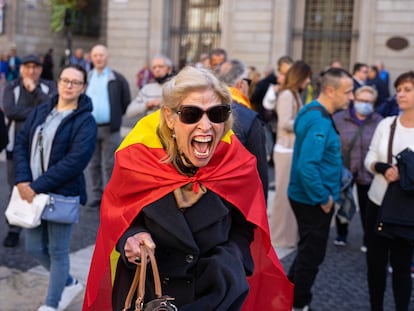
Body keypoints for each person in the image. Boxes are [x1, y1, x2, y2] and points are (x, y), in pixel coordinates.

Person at [82, 66, 293, 310]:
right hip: (148, 293)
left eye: (217, 113)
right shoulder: (138, 160)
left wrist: (228, 266)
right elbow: (116, 213)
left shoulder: (238, 165)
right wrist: (129, 237)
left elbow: (246, 226)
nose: (205, 125)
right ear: (170, 118)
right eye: (192, 114)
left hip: (214, 297)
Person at [13, 64, 97, 311]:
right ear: (58, 82)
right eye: (65, 80)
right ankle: (69, 282)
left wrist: (36, 185)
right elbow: (20, 143)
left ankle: (52, 303)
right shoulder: (42, 110)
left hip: (62, 194)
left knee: (58, 251)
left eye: (75, 82)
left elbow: (76, 161)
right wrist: (22, 179)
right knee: (33, 247)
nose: (69, 85)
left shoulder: (86, 121)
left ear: (83, 88)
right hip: (31, 193)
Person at [288, 68, 354, 311]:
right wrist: (323, 198)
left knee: (307, 251)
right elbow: (307, 166)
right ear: (329, 90)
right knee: (311, 256)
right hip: (312, 200)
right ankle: (298, 304)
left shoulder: (313, 112)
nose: (351, 97)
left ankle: (288, 295)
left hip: (306, 197)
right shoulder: (319, 119)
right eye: (347, 92)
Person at [364, 71, 414, 311]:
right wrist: (382, 168)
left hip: (406, 208)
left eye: (407, 89)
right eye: (399, 89)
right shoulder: (386, 124)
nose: (401, 94)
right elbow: (369, 158)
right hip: (377, 203)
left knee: (402, 267)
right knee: (375, 264)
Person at [2, 54, 57, 247]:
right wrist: (37, 113)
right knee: (16, 188)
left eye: (35, 67)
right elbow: (10, 111)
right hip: (14, 146)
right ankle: (14, 229)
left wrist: (35, 91)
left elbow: (52, 108)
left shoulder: (48, 87)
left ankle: (40, 227)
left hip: (42, 147)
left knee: (41, 187)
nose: (31, 71)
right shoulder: (11, 87)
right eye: (28, 67)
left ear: (40, 69)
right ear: (21, 68)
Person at [333, 85, 383, 250]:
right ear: (354, 99)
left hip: (368, 172)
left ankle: (368, 239)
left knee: (368, 208)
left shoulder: (379, 121)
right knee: (343, 202)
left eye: (369, 101)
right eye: (362, 100)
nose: (365, 104)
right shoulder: (339, 119)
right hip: (345, 169)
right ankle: (341, 234)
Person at [269, 60, 311, 249]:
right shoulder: (287, 95)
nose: (309, 81)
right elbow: (285, 122)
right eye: (307, 77)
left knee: (289, 195)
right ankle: (279, 237)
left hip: (291, 148)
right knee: (282, 196)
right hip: (285, 149)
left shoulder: (293, 94)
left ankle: (288, 236)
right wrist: (306, 125)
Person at [85, 45, 130, 209]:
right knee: (93, 164)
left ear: (107, 57)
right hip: (90, 128)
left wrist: (116, 117)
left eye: (101, 55)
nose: (98, 58)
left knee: (110, 164)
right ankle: (97, 196)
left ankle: (111, 196)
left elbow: (126, 100)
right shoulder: (87, 77)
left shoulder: (116, 78)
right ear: (91, 57)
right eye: (95, 55)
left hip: (110, 128)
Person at [217, 58, 268, 199]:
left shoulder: (204, 107)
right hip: (238, 198)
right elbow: (259, 171)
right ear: (241, 84)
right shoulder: (249, 118)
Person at [126, 55, 173, 119]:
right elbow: (129, 113)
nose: (157, 70)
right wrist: (147, 105)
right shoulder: (146, 89)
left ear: (169, 69)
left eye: (161, 66)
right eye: (154, 67)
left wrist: (163, 104)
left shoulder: (177, 88)